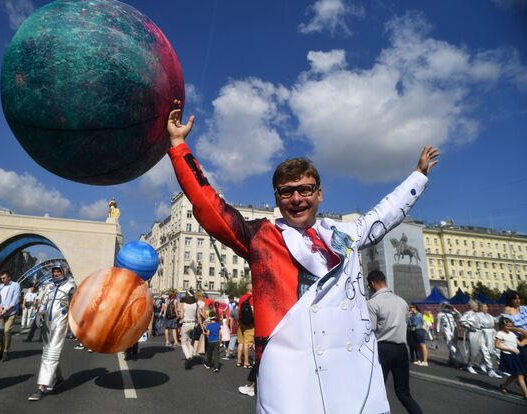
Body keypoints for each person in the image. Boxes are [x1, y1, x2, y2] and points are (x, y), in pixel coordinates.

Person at [166, 102, 439, 413]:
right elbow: (211, 208)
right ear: (277, 199)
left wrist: (418, 176)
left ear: (319, 194)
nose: (296, 198)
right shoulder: (261, 236)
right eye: (286, 192)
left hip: (350, 373)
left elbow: (385, 214)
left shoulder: (345, 234)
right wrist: (178, 145)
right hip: (287, 374)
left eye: (305, 189)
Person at [367, 270, 423, 414]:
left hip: (383, 349)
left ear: (372, 283)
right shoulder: (402, 301)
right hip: (401, 349)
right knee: (403, 393)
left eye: (369, 285)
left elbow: (371, 328)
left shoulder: (372, 303)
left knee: (377, 391)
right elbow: (404, 322)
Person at [28, 263, 76, 401]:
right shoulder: (49, 286)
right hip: (47, 324)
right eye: (54, 271)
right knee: (47, 351)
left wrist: (73, 324)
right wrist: (39, 313)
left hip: (61, 322)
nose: (55, 274)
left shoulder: (71, 285)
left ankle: (41, 386)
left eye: (58, 271)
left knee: (51, 353)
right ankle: (58, 377)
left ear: (64, 271)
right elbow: (44, 302)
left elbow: (76, 304)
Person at [495, 317, 527, 399]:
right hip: (508, 355)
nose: (509, 328)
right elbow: (497, 345)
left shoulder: (512, 334)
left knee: (515, 374)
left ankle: (503, 386)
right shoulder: (500, 333)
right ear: (502, 325)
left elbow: (520, 344)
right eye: (507, 326)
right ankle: (526, 394)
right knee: (520, 375)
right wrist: (510, 349)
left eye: (510, 326)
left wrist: (525, 339)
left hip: (515, 355)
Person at [0, 270, 21, 361]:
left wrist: (6, 309)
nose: (2, 280)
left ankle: (6, 351)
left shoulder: (15, 285)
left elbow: (15, 300)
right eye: (1, 278)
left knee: (6, 331)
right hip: (1, 313)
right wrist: (0, 308)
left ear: (9, 277)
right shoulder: (0, 286)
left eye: (4, 278)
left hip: (11, 312)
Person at [502, 290, 527, 367]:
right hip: (518, 339)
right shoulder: (507, 310)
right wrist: (520, 330)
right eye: (515, 299)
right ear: (510, 300)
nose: (518, 300)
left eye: (519, 298)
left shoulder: (524, 308)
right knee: (524, 360)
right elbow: (506, 326)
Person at [459, 300, 483, 374]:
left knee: (486, 350)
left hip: (480, 332)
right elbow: (461, 320)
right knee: (474, 351)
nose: (477, 307)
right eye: (476, 306)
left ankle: (484, 365)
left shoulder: (478, 314)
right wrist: (469, 327)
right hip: (473, 333)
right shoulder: (468, 313)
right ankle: (469, 365)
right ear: (472, 306)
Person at [478, 303, 501, 378]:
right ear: (480, 308)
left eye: (487, 307)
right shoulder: (477, 315)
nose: (486, 308)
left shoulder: (489, 315)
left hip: (491, 334)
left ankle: (482, 363)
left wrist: (502, 315)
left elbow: (496, 320)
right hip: (482, 334)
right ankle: (490, 370)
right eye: (484, 307)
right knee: (485, 351)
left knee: (491, 352)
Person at [179, 290, 200, 369]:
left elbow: (181, 316)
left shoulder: (183, 304)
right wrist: (200, 325)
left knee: (183, 342)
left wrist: (180, 318)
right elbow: (198, 315)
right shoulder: (196, 304)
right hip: (193, 324)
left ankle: (188, 357)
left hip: (186, 323)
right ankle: (190, 356)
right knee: (191, 342)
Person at [237, 283, 254, 369]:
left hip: (241, 322)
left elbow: (238, 309)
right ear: (251, 289)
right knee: (247, 343)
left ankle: (239, 361)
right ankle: (246, 362)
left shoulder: (241, 298)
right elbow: (253, 310)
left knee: (241, 342)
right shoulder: (252, 298)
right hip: (249, 324)